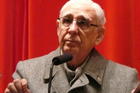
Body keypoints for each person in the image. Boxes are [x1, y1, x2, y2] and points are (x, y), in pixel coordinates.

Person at [4, 0, 140, 93]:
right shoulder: (27, 73)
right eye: (67, 21)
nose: (72, 29)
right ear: (58, 28)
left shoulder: (125, 79)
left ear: (99, 35)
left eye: (83, 23)